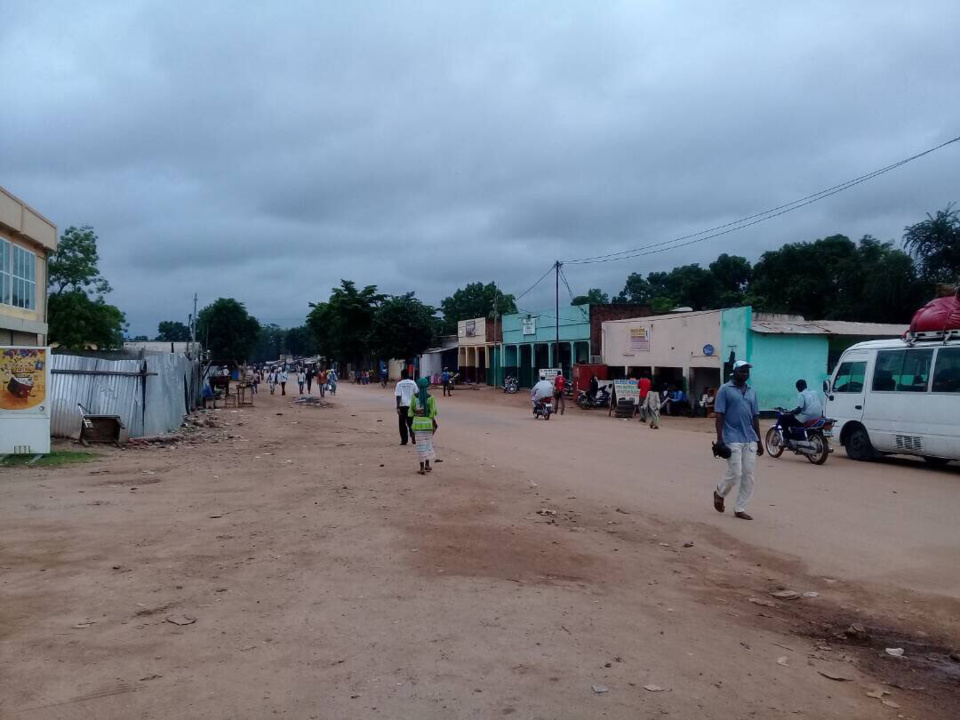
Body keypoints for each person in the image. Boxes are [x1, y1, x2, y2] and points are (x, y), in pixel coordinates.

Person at [713, 360, 763, 521]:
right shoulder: (725, 389)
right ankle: (720, 493)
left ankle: (740, 508)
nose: (745, 374)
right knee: (736, 472)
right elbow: (719, 415)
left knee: (748, 475)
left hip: (749, 438)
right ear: (734, 372)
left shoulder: (751, 392)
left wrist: (759, 441)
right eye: (742, 371)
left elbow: (755, 417)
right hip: (731, 436)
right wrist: (720, 439)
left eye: (747, 371)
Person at [408, 377, 438, 474]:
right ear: (427, 386)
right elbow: (432, 413)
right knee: (428, 444)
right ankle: (427, 465)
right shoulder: (431, 398)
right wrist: (433, 423)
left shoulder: (414, 397)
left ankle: (421, 468)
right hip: (428, 424)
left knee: (420, 446)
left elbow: (411, 411)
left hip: (417, 424)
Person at [395, 369, 418, 446]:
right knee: (410, 422)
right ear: (408, 375)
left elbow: (398, 396)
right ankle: (412, 432)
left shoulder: (399, 384)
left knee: (402, 423)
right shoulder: (413, 383)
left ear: (402, 375)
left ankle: (404, 440)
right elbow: (416, 394)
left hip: (402, 406)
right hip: (411, 405)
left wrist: (397, 407)